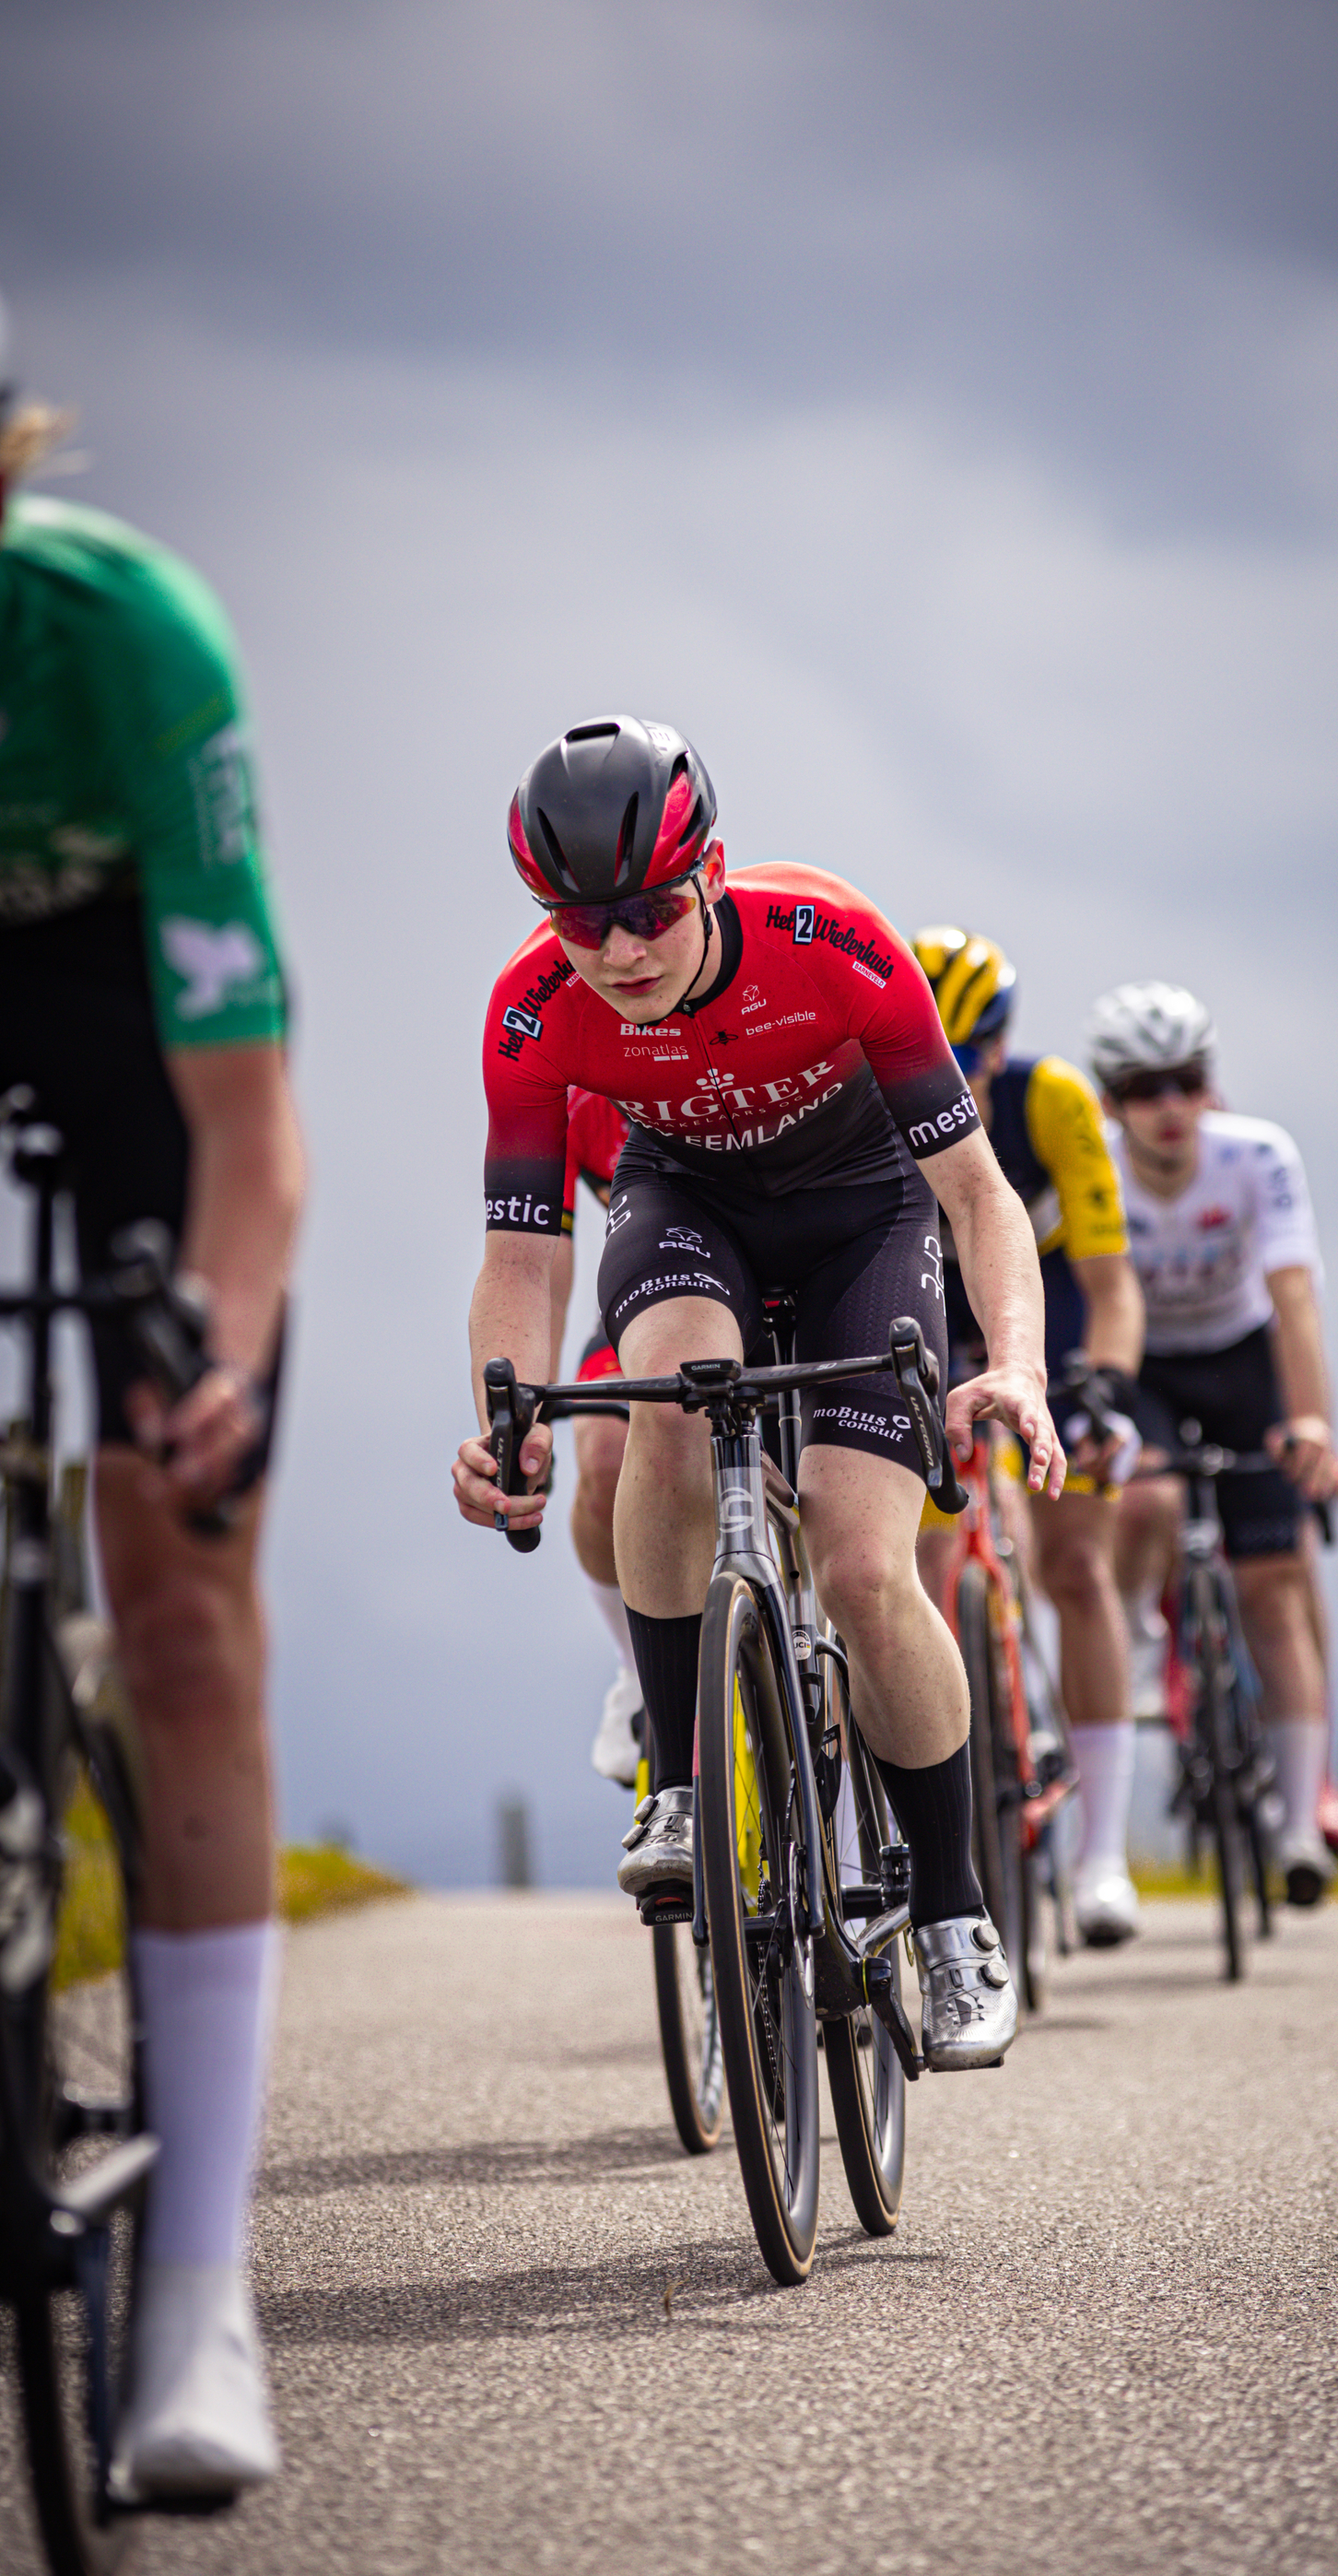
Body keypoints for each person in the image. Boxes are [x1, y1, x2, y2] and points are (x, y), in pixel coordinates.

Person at [0, 233, 301, 2498]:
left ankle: (197, 2287)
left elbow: (251, 1128)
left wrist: (213, 1359)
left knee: (179, 1609)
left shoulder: (127, 640)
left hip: (137, 1033)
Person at [454, 716, 1066, 2068]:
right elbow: (522, 1252)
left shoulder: (836, 941)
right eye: (579, 923)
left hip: (866, 1221)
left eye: (650, 910)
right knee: (664, 1401)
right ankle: (678, 1784)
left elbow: (977, 1195)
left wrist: (1014, 1363)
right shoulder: (528, 1011)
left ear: (712, 873)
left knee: (860, 1567)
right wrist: (503, 1418)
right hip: (687, 1211)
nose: (618, 952)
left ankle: (958, 1920)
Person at [1085, 982, 1338, 1906]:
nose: (1167, 1108)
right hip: (1147, 1362)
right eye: (1141, 1088)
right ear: (1109, 1101)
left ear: (1208, 1086)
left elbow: (1292, 1305)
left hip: (1242, 1361)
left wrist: (1310, 1422)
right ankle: (1133, 1630)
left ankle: (1296, 1819)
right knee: (1147, 1497)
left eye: (1185, 1082)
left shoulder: (1256, 1156)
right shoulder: (1096, 1168)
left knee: (1273, 1585)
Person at [910, 931, 1149, 1946]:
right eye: (928, 1053)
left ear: (998, 1053)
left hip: (1032, 1298)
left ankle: (1101, 1858)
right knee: (917, 1557)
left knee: (1078, 1566)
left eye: (963, 1060)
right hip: (918, 1298)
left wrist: (1099, 1388)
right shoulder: (882, 1097)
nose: (943, 1078)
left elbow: (1108, 1284)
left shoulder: (1053, 1103)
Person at [552, 1084, 642, 1784]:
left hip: (779, 1283)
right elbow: (532, 1254)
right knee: (607, 1464)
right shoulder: (576, 1098)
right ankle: (638, 1668)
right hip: (645, 1296)